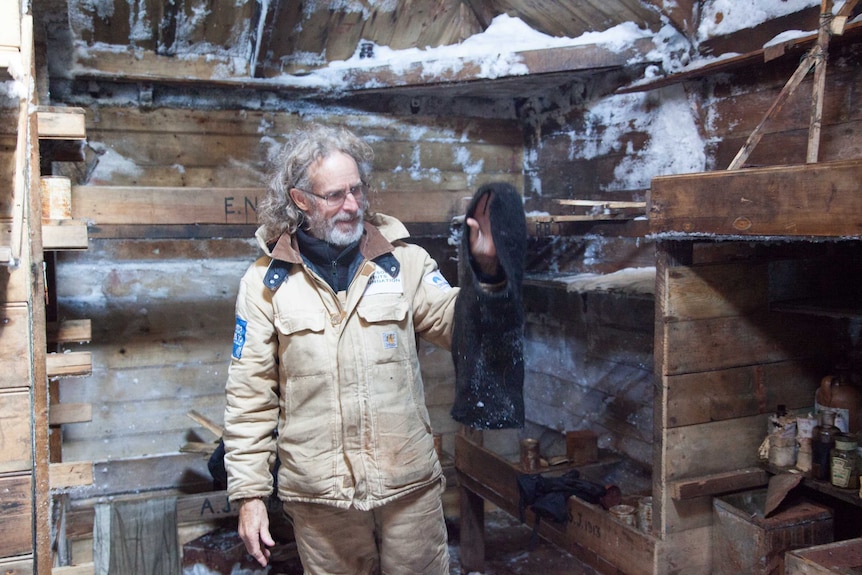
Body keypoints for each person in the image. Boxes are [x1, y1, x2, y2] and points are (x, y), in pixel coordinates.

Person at [222, 123, 502, 574]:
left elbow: (463, 331)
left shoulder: (403, 262)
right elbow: (249, 396)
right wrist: (250, 495)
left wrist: (487, 276)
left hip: (407, 489)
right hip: (320, 499)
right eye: (335, 194)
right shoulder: (265, 284)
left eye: (357, 189)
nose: (352, 204)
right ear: (300, 200)